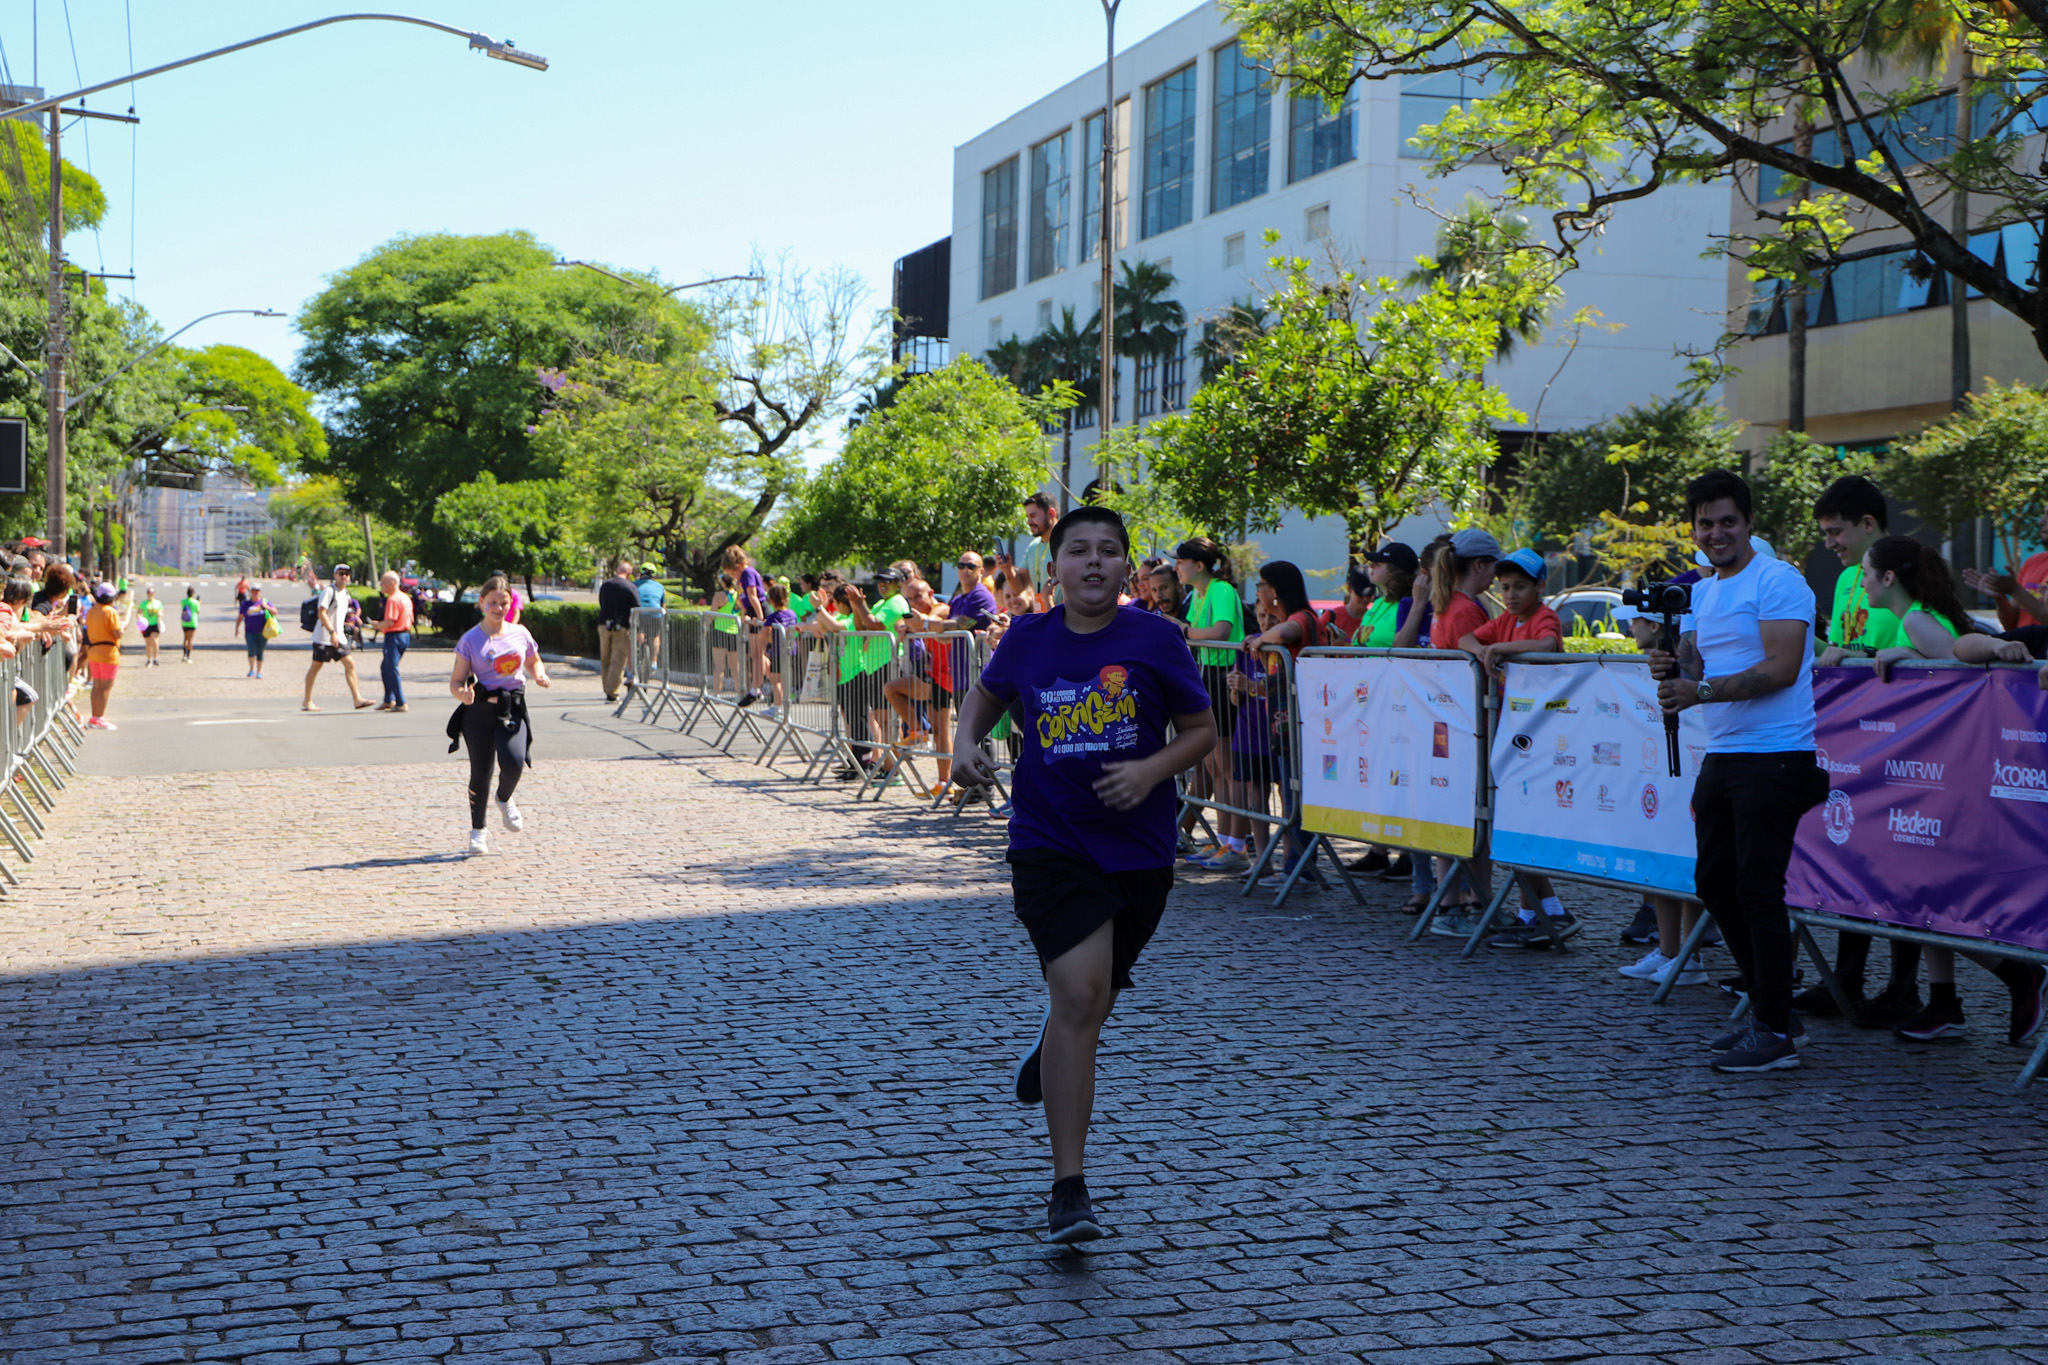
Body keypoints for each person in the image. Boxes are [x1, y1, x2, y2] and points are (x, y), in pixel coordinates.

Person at [950, 505, 1216, 1246]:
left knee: (1087, 1000)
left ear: (1126, 567)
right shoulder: (1029, 638)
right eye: (1078, 551)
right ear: (1055, 566)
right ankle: (1070, 1188)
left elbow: (1200, 732)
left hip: (1139, 851)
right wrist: (965, 743)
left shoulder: (1156, 638)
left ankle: (1055, 1038)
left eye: (1107, 551)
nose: (1093, 563)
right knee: (1078, 993)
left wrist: (1150, 770)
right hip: (1048, 842)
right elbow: (985, 699)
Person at [1650, 469, 1831, 1073]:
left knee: (1756, 891)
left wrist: (1696, 688)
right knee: (1715, 885)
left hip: (1777, 756)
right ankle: (1774, 1011)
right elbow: (1699, 659)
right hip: (1726, 755)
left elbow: (1779, 670)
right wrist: (1672, 659)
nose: (1716, 532)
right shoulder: (1704, 590)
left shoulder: (1778, 580)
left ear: (1749, 522)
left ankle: (1774, 1029)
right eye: (1705, 523)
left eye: (1728, 521)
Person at [1854, 536, 2047, 1046]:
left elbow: (1961, 665)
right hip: (1929, 768)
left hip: (1949, 768)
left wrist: (1906, 649)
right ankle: (1945, 1002)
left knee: (1932, 886)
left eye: (1867, 573)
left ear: (1888, 578)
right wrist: (1896, 651)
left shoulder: (1916, 618)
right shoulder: (1915, 617)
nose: (1862, 581)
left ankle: (2016, 971)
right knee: (1922, 884)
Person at [1801, 476, 1919, 1025]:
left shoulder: (1911, 566)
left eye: (1835, 531)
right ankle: (1844, 981)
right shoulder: (1849, 577)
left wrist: (1849, 652)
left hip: (1905, 738)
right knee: (1851, 855)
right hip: (1850, 738)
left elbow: (1919, 641)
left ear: (1868, 526)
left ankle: (1904, 989)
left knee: (1897, 865)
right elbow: (1843, 650)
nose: (1829, 542)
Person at [1456, 550, 1577, 946]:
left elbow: (1545, 646)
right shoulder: (1505, 619)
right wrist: (1482, 649)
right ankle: (1549, 912)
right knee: (1515, 826)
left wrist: (1501, 650)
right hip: (1515, 734)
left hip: (1541, 736)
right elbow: (1465, 637)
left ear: (1540, 587)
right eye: (1505, 587)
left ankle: (1533, 916)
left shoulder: (1544, 616)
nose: (1509, 594)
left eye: (1520, 587)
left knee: (1524, 827)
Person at [450, 575, 549, 856]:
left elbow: (533, 660)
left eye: (503, 602)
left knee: (515, 761)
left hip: (512, 707)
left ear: (510, 603)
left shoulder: (520, 633)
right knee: (481, 772)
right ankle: (478, 831)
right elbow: (456, 681)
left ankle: (504, 798)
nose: (497, 608)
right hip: (479, 710)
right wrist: (463, 694)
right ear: (482, 603)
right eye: (492, 602)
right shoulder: (470, 639)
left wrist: (539, 674)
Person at [1174, 538, 1246, 868]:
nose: (1177, 566)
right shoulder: (1198, 594)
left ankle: (1236, 846)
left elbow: (1220, 630)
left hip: (1224, 674)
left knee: (1227, 767)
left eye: (1181, 561)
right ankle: (1224, 841)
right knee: (1214, 767)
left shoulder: (1221, 590)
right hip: (1207, 674)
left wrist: (1183, 629)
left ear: (1199, 565)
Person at [1963, 505, 2048, 652]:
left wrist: (2015, 589)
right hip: (2023, 655)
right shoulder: (2033, 562)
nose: (2041, 521)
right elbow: (2011, 625)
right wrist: (1999, 596)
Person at [303, 564, 371, 712]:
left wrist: (349, 624)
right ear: (335, 575)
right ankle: (307, 700)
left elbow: (340, 615)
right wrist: (332, 631)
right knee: (316, 666)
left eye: (347, 574)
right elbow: (322, 612)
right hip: (324, 636)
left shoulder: (345, 593)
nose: (344, 576)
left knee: (350, 663)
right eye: (341, 573)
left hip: (339, 637)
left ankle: (357, 698)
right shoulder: (329, 591)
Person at [727, 546, 772, 708]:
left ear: (737, 565)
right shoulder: (741, 577)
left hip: (760, 612)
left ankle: (756, 689)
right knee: (756, 654)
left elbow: (753, 596)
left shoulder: (747, 573)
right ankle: (773, 684)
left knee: (757, 655)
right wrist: (746, 614)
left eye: (733, 572)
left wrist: (760, 620)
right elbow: (743, 598)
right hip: (753, 614)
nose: (733, 576)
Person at [81, 582, 128, 731]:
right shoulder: (111, 611)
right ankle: (100, 717)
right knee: (106, 687)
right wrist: (123, 626)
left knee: (97, 686)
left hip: (94, 650)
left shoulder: (92, 611)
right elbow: (117, 632)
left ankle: (95, 715)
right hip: (108, 652)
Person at [369, 570, 415, 711]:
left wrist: (377, 625)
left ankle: (400, 702)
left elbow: (390, 621)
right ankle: (389, 699)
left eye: (383, 582)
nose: (381, 585)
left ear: (392, 583)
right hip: (405, 635)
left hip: (394, 636)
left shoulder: (393, 600)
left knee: (391, 668)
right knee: (386, 667)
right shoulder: (405, 598)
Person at [1359, 543, 1419, 648]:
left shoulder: (1410, 605)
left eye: (1378, 563)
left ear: (1395, 571)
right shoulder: (1378, 603)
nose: (1371, 566)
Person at [596, 559, 639, 702]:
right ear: (628, 572)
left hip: (603, 625)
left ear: (617, 571)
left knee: (605, 659)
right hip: (621, 627)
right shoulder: (630, 586)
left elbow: (601, 602)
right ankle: (612, 692)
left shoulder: (605, 585)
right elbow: (636, 607)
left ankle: (607, 688)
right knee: (618, 660)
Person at [1020, 492, 1059, 600]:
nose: (1029, 522)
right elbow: (1019, 587)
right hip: (1041, 615)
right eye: (1027, 517)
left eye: (1033, 516)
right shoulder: (1033, 546)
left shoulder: (1069, 544)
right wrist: (1007, 570)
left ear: (1051, 513)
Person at [238, 584, 275, 679]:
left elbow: (275, 612)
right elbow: (241, 616)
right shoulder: (245, 604)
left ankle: (259, 671)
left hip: (263, 632)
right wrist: (237, 628)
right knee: (251, 649)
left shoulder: (265, 602)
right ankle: (251, 669)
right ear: (250, 592)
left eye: (257, 591)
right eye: (253, 591)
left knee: (260, 651)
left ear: (260, 592)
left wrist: (266, 607)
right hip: (249, 631)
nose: (255, 593)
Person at [134, 585, 164, 667]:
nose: (150, 594)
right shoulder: (143, 604)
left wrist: (159, 614)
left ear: (154, 594)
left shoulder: (158, 603)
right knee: (148, 643)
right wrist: (139, 617)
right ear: (147, 594)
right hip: (146, 625)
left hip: (155, 624)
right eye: (149, 592)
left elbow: (161, 612)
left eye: (152, 592)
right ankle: (149, 659)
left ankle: (156, 658)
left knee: (154, 640)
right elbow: (139, 612)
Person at [178, 584, 200, 662]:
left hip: (184, 622)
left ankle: (184, 655)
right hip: (192, 622)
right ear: (193, 593)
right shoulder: (196, 602)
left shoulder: (183, 601)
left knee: (185, 638)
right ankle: (188, 656)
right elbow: (198, 611)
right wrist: (199, 602)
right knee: (191, 640)